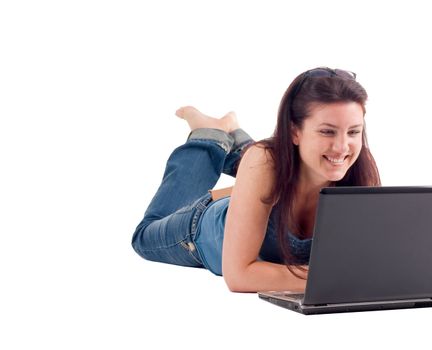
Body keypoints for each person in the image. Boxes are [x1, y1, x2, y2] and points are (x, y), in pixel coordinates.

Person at [131, 67, 381, 293]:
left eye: (353, 131)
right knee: (143, 237)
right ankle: (209, 136)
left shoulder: (360, 169)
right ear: (294, 131)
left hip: (260, 183)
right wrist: (334, 277)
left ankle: (238, 142)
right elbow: (239, 276)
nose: (342, 147)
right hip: (202, 227)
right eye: (327, 131)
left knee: (263, 166)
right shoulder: (264, 163)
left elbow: (368, 262)